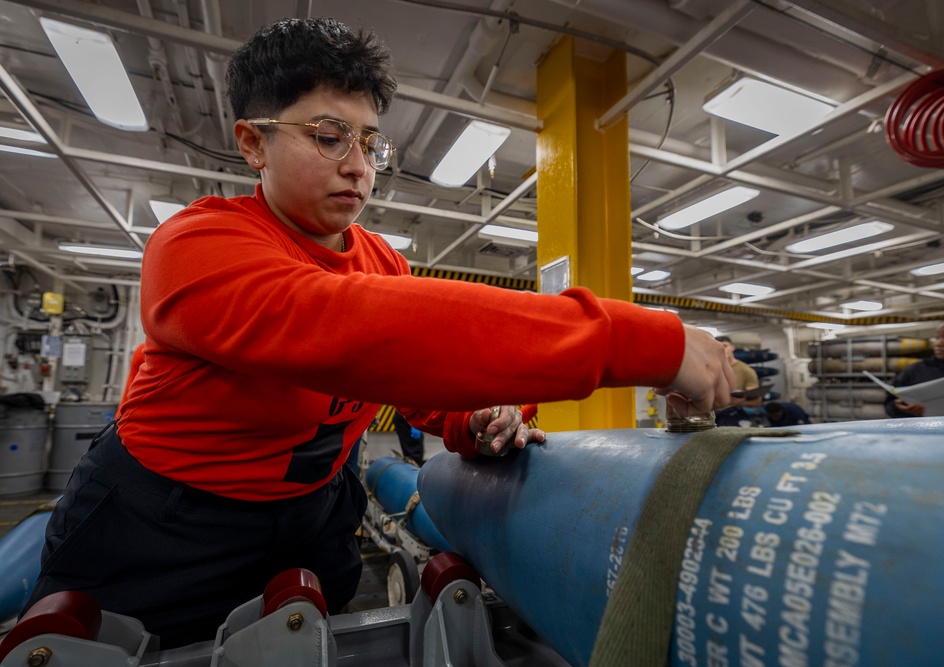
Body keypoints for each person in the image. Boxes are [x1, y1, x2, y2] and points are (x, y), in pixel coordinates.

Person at [22, 17, 733, 648]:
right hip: (162, 524)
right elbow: (363, 334)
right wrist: (649, 344)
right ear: (252, 143)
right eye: (328, 137)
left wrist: (475, 417)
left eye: (369, 142)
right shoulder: (195, 245)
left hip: (312, 514)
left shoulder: (381, 260)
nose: (358, 166)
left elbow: (418, 388)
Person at [713, 335, 762, 426]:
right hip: (711, 414)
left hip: (732, 415)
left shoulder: (746, 370)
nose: (722, 349)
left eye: (725, 346)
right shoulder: (709, 368)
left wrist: (736, 402)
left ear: (732, 347)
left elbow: (756, 401)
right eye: (718, 347)